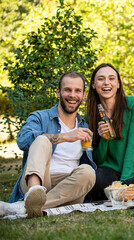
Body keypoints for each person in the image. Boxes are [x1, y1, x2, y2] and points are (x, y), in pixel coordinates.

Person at [1, 71, 96, 218]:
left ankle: (21, 207)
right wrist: (64, 136)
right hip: (40, 179)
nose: (72, 95)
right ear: (58, 92)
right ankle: (34, 193)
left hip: (68, 189)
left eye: (77, 91)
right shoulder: (40, 117)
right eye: (67, 90)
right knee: (42, 139)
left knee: (88, 172)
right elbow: (23, 140)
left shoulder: (85, 126)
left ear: (83, 95)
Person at [86, 63, 134, 201]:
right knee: (96, 180)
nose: (106, 83)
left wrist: (122, 183)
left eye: (111, 78)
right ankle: (115, 195)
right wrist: (104, 139)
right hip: (110, 172)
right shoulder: (92, 115)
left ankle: (120, 193)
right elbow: (98, 159)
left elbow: (133, 148)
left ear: (118, 84)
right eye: (101, 79)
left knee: (127, 188)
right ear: (93, 85)